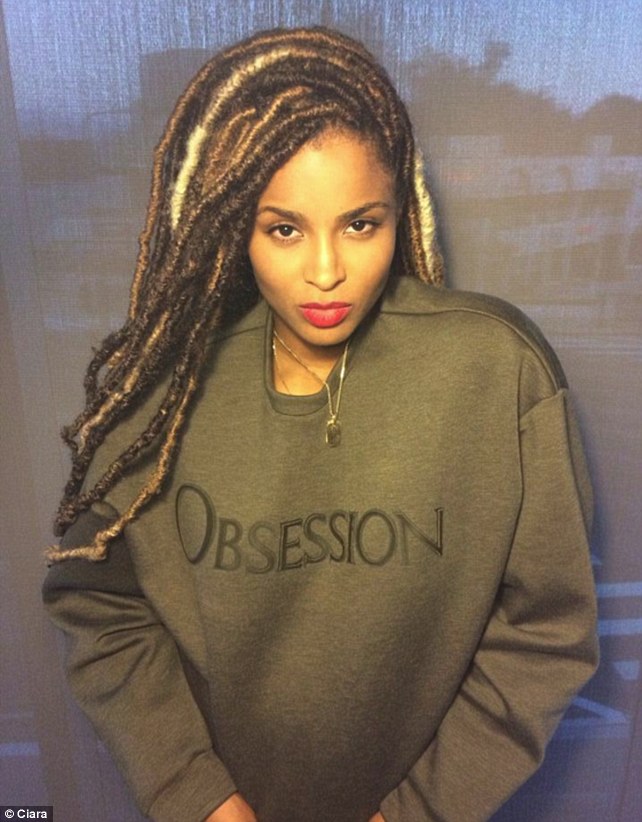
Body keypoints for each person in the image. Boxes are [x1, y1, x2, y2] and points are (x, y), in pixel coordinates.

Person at [43, 26, 598, 822]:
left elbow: (547, 631)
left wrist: (420, 812)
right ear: (233, 223)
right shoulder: (162, 399)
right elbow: (99, 605)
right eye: (285, 229)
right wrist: (195, 795)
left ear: (400, 214)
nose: (327, 271)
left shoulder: (497, 369)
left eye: (360, 224)